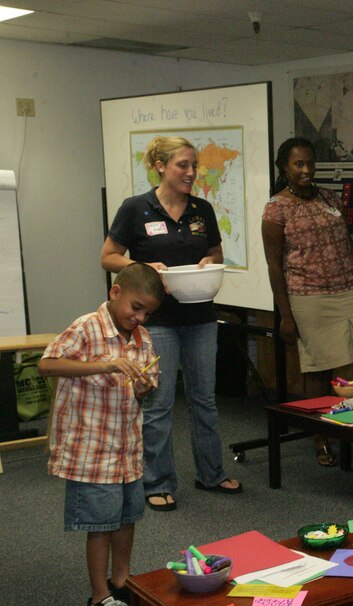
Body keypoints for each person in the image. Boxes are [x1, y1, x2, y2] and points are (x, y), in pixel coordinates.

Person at [101, 136, 241, 512]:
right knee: (160, 404)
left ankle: (211, 474)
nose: (191, 173)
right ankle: (158, 482)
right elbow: (108, 256)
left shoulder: (202, 210)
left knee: (204, 400)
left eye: (195, 166)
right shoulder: (136, 208)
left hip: (200, 316)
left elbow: (214, 253)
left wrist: (208, 265)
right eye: (183, 165)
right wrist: (142, 267)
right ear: (161, 166)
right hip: (156, 321)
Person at [39, 263, 165, 606]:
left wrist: (144, 388)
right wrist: (105, 364)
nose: (139, 318)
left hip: (126, 448)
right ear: (115, 293)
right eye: (136, 307)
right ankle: (97, 599)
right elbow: (48, 364)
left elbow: (149, 384)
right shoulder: (86, 327)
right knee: (100, 524)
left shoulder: (143, 337)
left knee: (127, 517)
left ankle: (121, 583)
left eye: (148, 313)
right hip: (90, 449)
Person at [262, 137, 353, 466]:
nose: (306, 170)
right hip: (308, 293)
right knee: (320, 369)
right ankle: (321, 436)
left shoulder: (330, 198)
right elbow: (274, 266)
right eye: (298, 164)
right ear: (285, 168)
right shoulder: (276, 208)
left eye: (310, 163)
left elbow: (349, 247)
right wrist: (286, 315)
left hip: (349, 287)